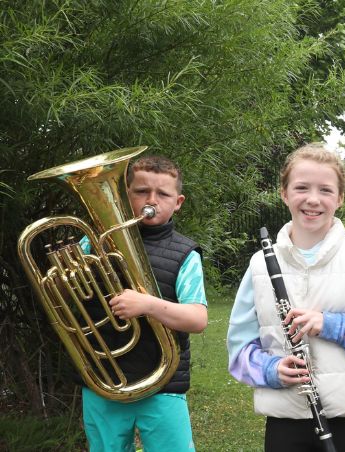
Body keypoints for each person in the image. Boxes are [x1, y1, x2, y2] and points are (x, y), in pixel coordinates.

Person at [227, 143, 345, 452]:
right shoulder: (260, 265)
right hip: (284, 412)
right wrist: (271, 370)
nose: (313, 199)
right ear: (284, 194)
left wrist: (330, 325)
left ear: (339, 198)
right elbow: (238, 349)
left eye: (325, 190)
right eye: (301, 188)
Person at [81, 155, 209, 451]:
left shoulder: (185, 253)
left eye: (162, 194)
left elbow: (197, 319)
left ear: (177, 202)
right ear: (127, 197)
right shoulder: (92, 243)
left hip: (163, 384)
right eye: (141, 192)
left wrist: (148, 304)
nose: (151, 200)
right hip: (104, 379)